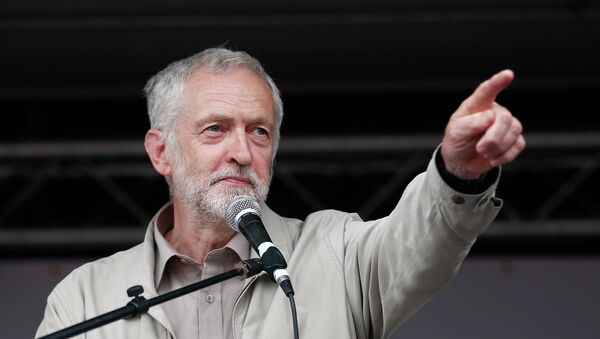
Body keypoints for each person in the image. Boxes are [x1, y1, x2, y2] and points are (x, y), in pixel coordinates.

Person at [36, 47, 525, 339]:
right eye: (215, 130)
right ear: (161, 152)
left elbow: (423, 242)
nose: (242, 152)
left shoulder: (335, 253)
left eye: (259, 132)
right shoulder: (84, 298)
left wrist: (458, 170)